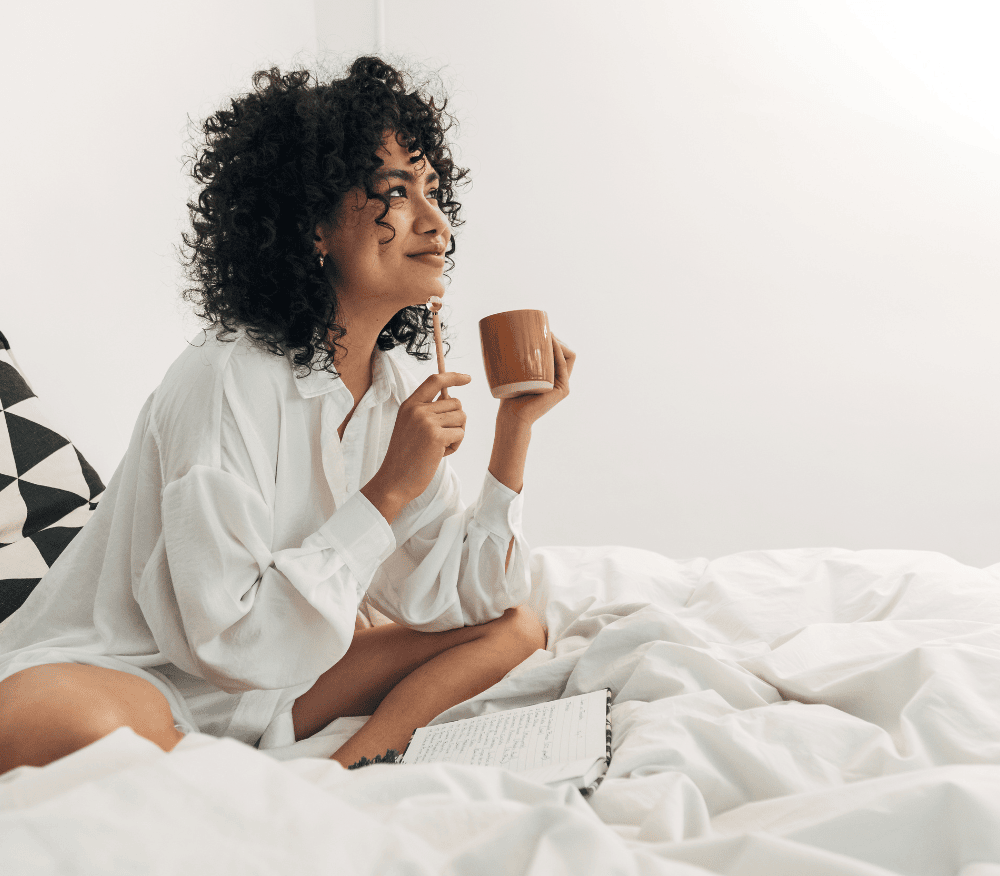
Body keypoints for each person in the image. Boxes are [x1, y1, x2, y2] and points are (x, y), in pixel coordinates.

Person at [0, 57, 575, 774]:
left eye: (432, 190)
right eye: (397, 192)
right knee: (51, 720)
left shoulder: (396, 390)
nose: (437, 224)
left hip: (273, 693)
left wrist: (516, 428)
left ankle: (347, 774)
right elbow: (225, 639)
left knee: (515, 625)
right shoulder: (226, 377)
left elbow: (457, 596)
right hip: (140, 677)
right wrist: (386, 492)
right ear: (314, 228)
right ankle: (236, 786)